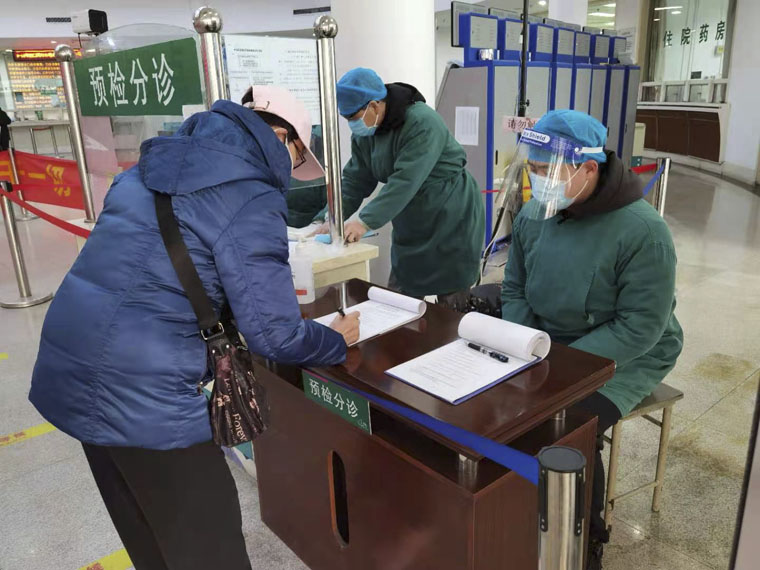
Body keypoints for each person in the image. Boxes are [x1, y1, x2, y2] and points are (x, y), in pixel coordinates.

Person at [29, 86, 360, 570]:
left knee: (148, 534)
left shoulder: (149, 165)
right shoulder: (252, 193)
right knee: (210, 548)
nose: (290, 172)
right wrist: (335, 338)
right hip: (146, 390)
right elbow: (275, 334)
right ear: (280, 137)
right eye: (296, 158)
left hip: (71, 365)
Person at [500, 110, 683, 569]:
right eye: (532, 169)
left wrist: (562, 367)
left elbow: (641, 326)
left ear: (587, 168)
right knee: (500, 404)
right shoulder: (536, 215)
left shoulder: (644, 232)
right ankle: (508, 516)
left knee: (567, 424)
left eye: (546, 171)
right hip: (548, 343)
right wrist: (525, 343)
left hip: (625, 354)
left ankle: (586, 539)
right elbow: (514, 287)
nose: (537, 180)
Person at [314, 67, 485, 302]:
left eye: (354, 117)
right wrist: (331, 217)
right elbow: (355, 179)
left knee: (451, 299)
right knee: (400, 294)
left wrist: (363, 222)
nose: (352, 124)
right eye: (347, 119)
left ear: (374, 106)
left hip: (450, 214)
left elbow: (405, 180)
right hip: (411, 217)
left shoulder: (422, 122)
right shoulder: (366, 134)